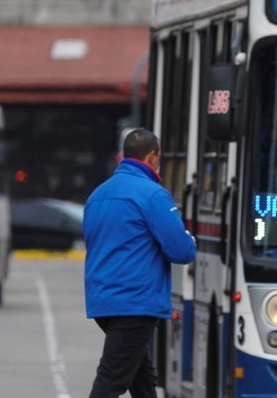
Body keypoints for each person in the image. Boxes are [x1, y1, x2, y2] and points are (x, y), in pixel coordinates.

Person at [83, 129, 196, 398]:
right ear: (152, 156)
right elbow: (180, 250)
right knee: (111, 380)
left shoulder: (98, 195)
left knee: (143, 379)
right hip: (135, 302)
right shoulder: (152, 195)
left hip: (103, 301)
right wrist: (189, 239)